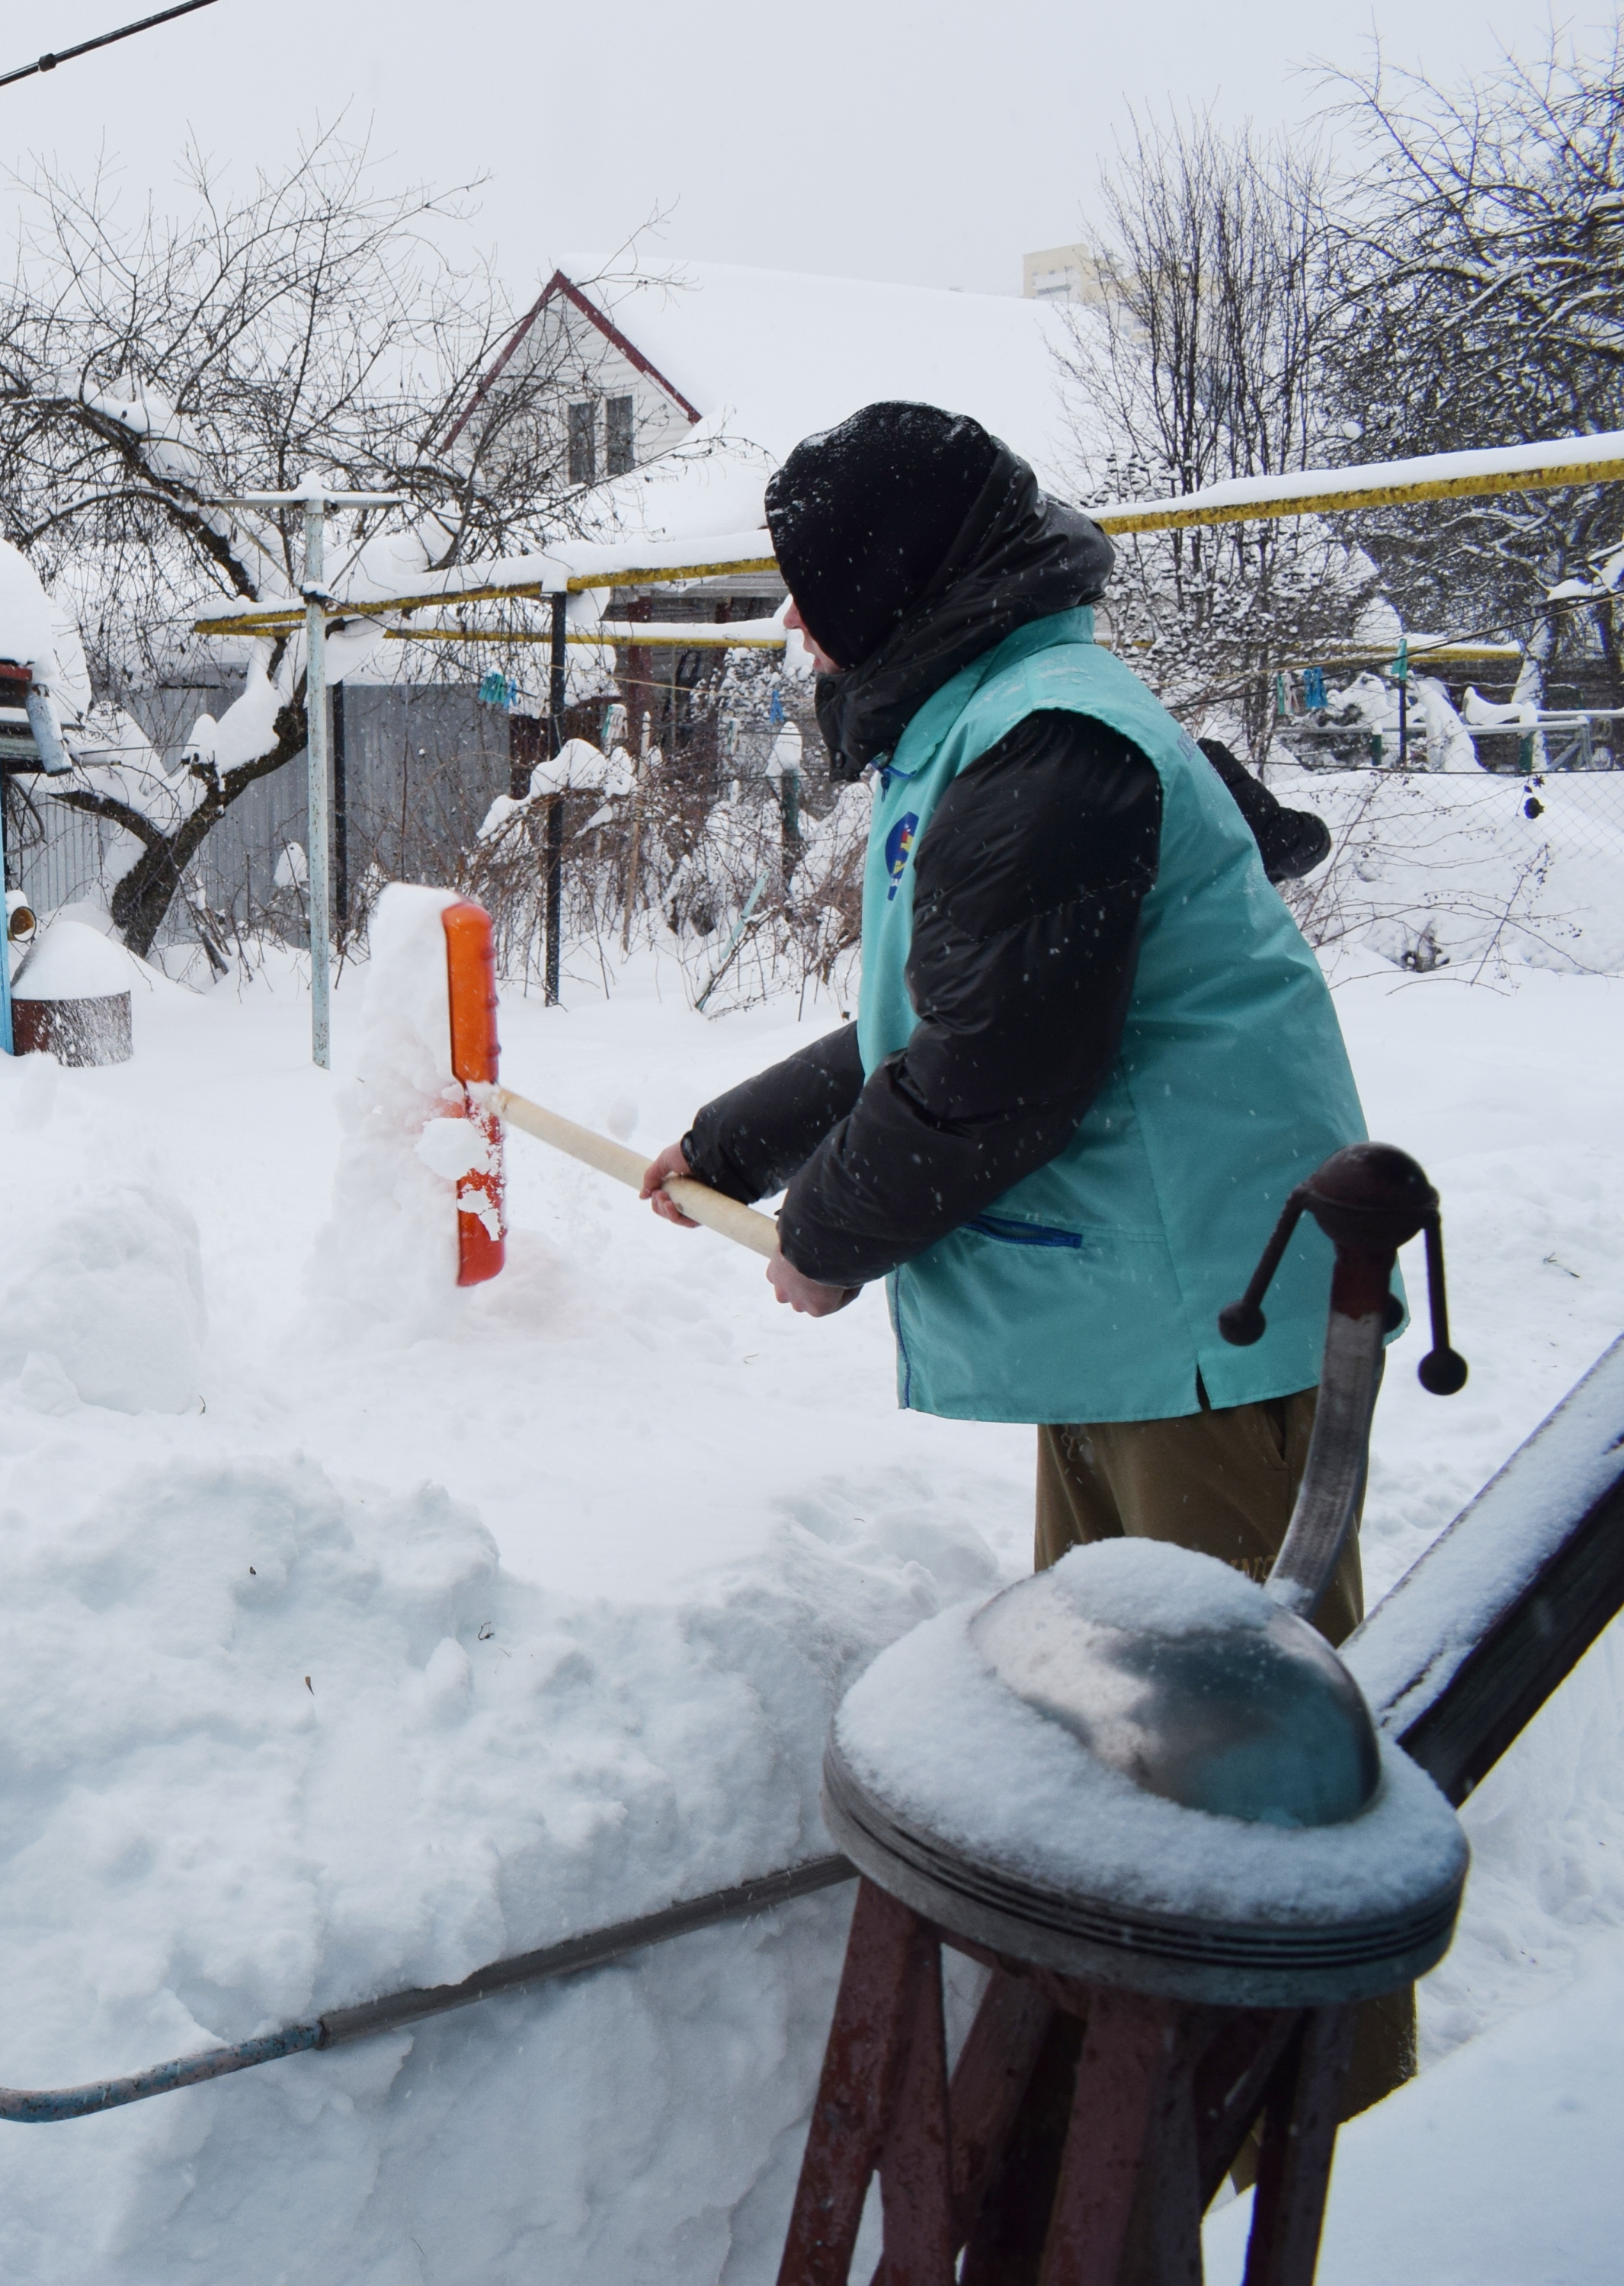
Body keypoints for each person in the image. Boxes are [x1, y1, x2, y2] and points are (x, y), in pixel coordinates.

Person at [636, 400, 1408, 2111]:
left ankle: (1287, 2114)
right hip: (1133, 1315)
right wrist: (744, 1138)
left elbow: (999, 1075)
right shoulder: (997, 725)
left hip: (1204, 1323)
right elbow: (951, 1012)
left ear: (891, 582)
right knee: (1119, 1728)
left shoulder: (1053, 750)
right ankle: (1151, 2095)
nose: (790, 624)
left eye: (807, 588)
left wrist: (827, 1236)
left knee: (1243, 1756)